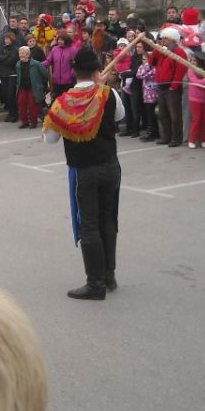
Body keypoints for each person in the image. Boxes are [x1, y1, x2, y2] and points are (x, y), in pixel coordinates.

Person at [43, 46, 124, 300]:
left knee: (88, 224)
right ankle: (109, 276)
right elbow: (120, 117)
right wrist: (101, 88)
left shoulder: (63, 102)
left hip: (83, 170)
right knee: (107, 220)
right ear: (98, 70)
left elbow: (51, 139)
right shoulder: (109, 95)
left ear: (74, 72)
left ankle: (95, 283)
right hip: (110, 166)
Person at [151, 27, 187, 148]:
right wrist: (157, 49)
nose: (163, 40)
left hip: (172, 88)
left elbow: (180, 70)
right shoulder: (164, 51)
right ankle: (166, 136)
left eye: (165, 38)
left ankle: (176, 138)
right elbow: (152, 62)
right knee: (163, 114)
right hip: (162, 87)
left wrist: (174, 85)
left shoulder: (179, 52)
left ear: (172, 39)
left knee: (174, 115)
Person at [16, 46, 47, 129]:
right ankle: (25, 122)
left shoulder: (36, 64)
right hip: (22, 87)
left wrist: (43, 87)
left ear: (28, 54)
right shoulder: (18, 64)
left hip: (33, 87)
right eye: (20, 53)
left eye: (22, 53)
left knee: (32, 104)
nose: (20, 55)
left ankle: (33, 122)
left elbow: (44, 75)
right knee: (21, 103)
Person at [0, 32, 21, 122]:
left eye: (8, 39)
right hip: (3, 74)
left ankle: (14, 114)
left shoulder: (15, 49)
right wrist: (5, 57)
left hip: (11, 74)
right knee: (5, 95)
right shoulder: (2, 48)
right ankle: (10, 113)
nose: (6, 40)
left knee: (11, 95)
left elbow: (11, 61)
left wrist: (3, 58)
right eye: (5, 39)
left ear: (12, 39)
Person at [44, 31, 76, 99]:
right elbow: (49, 61)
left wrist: (72, 74)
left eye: (62, 40)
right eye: (58, 39)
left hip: (68, 81)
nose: (59, 41)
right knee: (56, 100)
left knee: (67, 101)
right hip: (56, 81)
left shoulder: (72, 50)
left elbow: (76, 63)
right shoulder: (55, 49)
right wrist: (39, 65)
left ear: (66, 41)